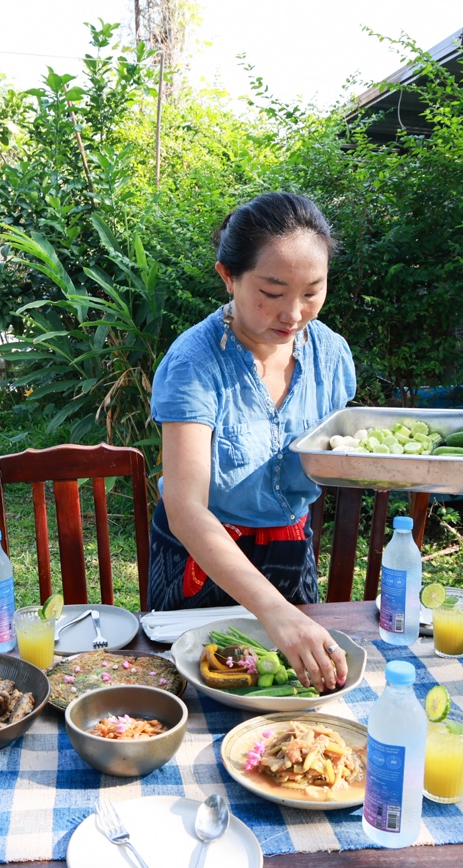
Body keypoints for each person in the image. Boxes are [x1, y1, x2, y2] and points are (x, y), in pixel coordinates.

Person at [150, 192, 355, 692]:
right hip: (202, 557)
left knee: (295, 689)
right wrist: (272, 611)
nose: (293, 313)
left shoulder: (331, 355)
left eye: (312, 291)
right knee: (200, 694)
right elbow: (186, 507)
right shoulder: (194, 364)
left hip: (290, 552)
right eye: (273, 290)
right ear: (229, 277)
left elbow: (336, 456)